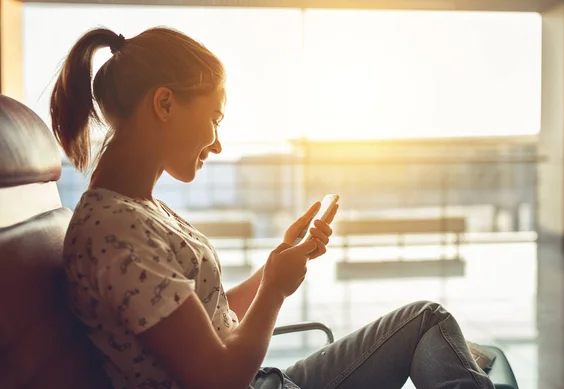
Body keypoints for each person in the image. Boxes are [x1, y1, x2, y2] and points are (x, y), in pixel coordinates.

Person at [51, 27, 495, 389]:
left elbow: (210, 315)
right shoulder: (118, 231)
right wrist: (276, 291)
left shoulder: (135, 210)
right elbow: (218, 379)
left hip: (267, 381)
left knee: (426, 323)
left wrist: (275, 265)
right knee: (438, 333)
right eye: (215, 119)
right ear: (165, 103)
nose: (218, 142)